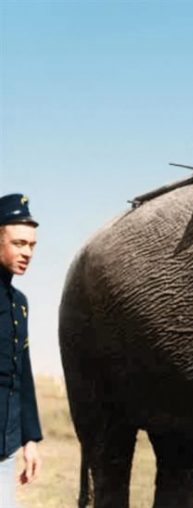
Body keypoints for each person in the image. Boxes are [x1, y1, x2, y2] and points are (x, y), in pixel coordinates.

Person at [0, 194, 43, 507]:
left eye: (31, 245)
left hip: (6, 447)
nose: (27, 252)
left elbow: (21, 374)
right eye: (18, 243)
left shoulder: (19, 304)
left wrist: (30, 438)